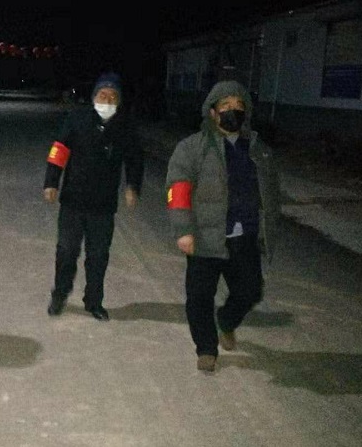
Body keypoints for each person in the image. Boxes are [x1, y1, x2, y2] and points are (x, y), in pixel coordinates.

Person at [165, 80, 280, 372]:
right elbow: (178, 189)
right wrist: (183, 230)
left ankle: (226, 321)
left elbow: (270, 194)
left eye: (239, 106)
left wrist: (267, 230)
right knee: (199, 297)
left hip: (244, 235)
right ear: (213, 112)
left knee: (250, 290)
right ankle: (206, 349)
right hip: (204, 236)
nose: (233, 111)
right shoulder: (192, 148)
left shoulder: (258, 150)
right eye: (226, 106)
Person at [43, 72, 145, 321]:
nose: (107, 100)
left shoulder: (125, 126)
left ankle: (93, 301)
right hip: (73, 201)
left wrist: (132, 186)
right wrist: (51, 182)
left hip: (103, 205)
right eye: (102, 94)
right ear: (94, 97)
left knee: (98, 256)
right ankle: (60, 294)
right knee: (66, 251)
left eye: (113, 96)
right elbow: (59, 150)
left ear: (119, 101)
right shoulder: (77, 119)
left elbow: (134, 159)